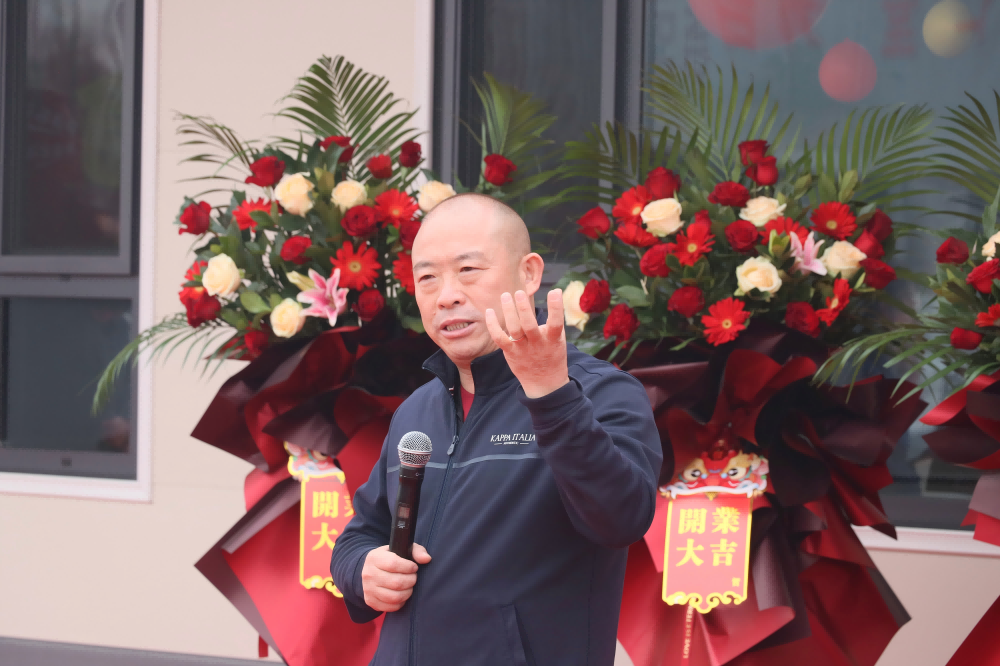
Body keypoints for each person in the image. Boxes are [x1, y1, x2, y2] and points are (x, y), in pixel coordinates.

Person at [330, 193, 662, 665]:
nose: (446, 295)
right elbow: (359, 535)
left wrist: (551, 397)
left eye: (468, 269)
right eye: (427, 277)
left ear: (529, 273)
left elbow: (621, 519)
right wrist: (362, 570)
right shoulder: (416, 411)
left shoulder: (600, 393)